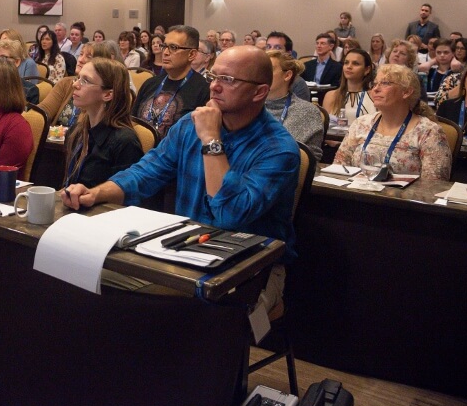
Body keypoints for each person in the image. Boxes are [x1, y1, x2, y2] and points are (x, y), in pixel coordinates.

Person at [62, 46, 300, 311]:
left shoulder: (278, 149)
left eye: (228, 80)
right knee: (80, 273)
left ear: (260, 92)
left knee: (132, 308)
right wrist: (96, 193)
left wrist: (211, 139)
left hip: (251, 269)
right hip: (187, 250)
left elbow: (229, 214)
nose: (215, 87)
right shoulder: (189, 125)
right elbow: (146, 172)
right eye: (213, 77)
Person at [334, 64, 451, 180]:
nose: (376, 89)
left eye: (385, 83)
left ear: (406, 92)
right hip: (356, 194)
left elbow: (432, 187)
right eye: (374, 84)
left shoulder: (429, 132)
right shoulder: (360, 124)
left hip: (400, 198)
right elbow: (339, 168)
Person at [62, 59, 144, 188]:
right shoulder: (76, 132)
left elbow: (127, 197)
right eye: (78, 78)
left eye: (85, 81)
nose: (75, 85)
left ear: (107, 94)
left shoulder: (125, 142)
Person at [132, 25, 210, 137]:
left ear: (192, 54)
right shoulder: (150, 84)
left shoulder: (204, 89)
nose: (165, 52)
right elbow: (133, 122)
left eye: (173, 47)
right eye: (164, 46)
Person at [265, 52, 324, 161]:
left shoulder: (306, 112)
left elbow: (310, 161)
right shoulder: (247, 107)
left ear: (287, 75)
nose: (261, 74)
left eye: (269, 69)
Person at [322, 48, 376, 120]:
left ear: (367, 70)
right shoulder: (331, 96)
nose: (349, 66)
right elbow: (325, 125)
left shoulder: (375, 96)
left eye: (355, 63)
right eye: (346, 62)